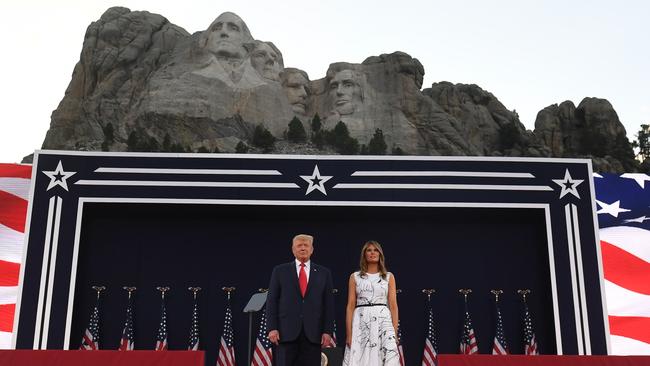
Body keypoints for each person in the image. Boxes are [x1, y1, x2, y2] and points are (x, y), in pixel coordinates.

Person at [267, 234, 335, 366]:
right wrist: (272, 328)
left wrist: (327, 331)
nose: (303, 248)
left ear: (312, 249)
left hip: (313, 334)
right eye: (299, 245)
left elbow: (328, 304)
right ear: (293, 249)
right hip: (285, 333)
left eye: (306, 245)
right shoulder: (280, 271)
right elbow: (272, 301)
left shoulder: (324, 273)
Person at [343, 240, 400, 366]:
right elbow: (350, 306)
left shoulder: (389, 277)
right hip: (361, 321)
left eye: (375, 250)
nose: (372, 253)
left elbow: (393, 306)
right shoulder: (355, 277)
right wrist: (349, 334)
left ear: (380, 254)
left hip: (383, 321)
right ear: (364, 254)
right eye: (369, 250)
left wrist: (394, 333)